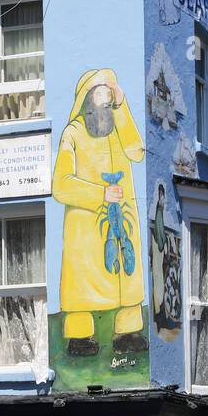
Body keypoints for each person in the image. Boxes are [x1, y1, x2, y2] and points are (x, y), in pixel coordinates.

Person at [51, 68, 147, 358]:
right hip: (85, 227)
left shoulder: (119, 127)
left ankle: (128, 331)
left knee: (127, 273)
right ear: (87, 98)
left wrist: (123, 106)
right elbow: (60, 185)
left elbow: (137, 151)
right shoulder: (72, 133)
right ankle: (80, 336)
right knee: (83, 280)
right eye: (101, 94)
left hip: (123, 222)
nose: (106, 101)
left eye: (110, 95)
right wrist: (99, 194)